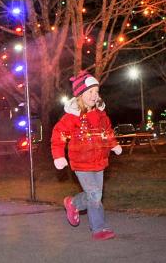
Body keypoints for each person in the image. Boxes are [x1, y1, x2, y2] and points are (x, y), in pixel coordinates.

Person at [52, 71, 122, 241]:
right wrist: (59, 156)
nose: (94, 95)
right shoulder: (73, 117)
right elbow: (58, 134)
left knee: (95, 194)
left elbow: (107, 132)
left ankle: (74, 203)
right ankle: (98, 229)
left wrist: (114, 144)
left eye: (96, 91)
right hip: (80, 163)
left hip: (99, 160)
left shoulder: (101, 115)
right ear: (80, 95)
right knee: (95, 195)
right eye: (90, 92)